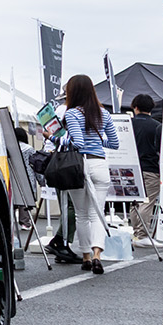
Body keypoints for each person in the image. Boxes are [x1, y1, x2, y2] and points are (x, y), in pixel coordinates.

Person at [58, 74, 119, 274]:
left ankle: (85, 256)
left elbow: (78, 143)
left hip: (80, 166)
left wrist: (57, 140)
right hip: (100, 165)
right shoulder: (103, 113)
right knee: (97, 213)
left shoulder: (72, 114)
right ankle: (96, 255)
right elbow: (114, 143)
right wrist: (97, 141)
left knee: (81, 214)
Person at [129, 93, 162, 241]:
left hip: (131, 169)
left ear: (135, 107)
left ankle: (136, 232)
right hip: (151, 168)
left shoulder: (129, 125)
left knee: (134, 202)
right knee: (147, 203)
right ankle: (142, 235)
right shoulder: (157, 126)